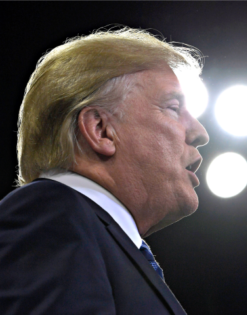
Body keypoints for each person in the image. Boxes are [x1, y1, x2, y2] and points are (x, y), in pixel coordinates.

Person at [0, 27, 209, 314]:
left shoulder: (94, 236)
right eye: (173, 107)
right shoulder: (50, 215)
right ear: (101, 130)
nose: (200, 132)